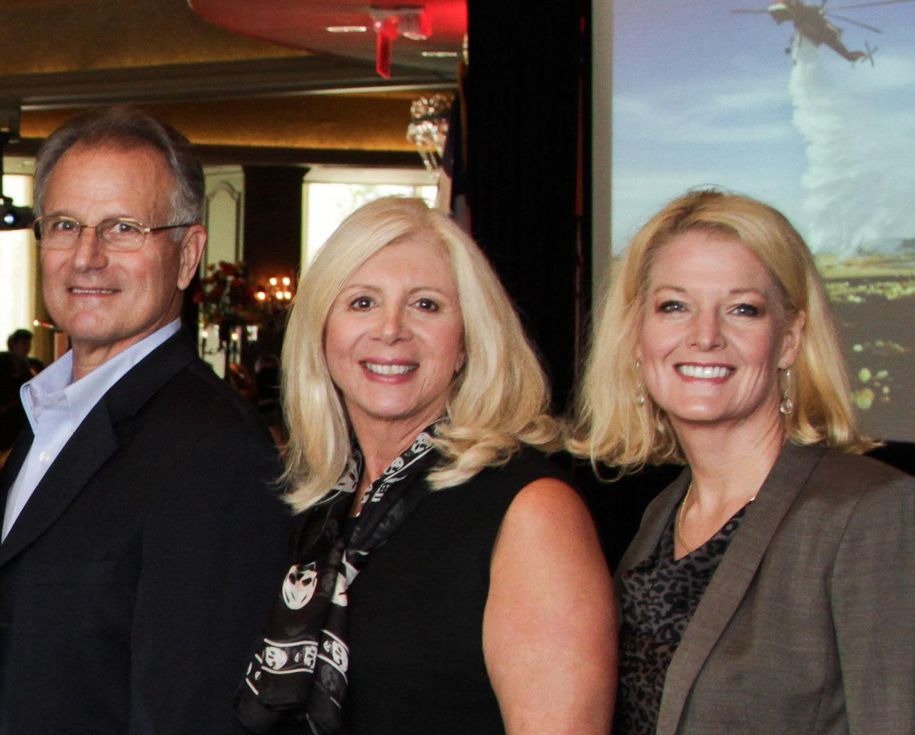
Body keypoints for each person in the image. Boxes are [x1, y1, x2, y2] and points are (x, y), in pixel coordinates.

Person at [569, 189, 915, 734]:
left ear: (790, 339)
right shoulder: (663, 514)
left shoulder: (872, 513)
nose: (704, 336)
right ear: (637, 334)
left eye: (742, 309)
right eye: (674, 306)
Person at [238, 197, 617, 734]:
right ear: (322, 335)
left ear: (467, 342)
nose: (390, 330)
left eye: (426, 305)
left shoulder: (532, 513)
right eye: (363, 303)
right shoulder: (321, 508)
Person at [0, 107, 292, 734]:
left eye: (123, 228)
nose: (87, 256)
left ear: (187, 255)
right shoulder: (48, 415)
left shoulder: (214, 453)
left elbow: (190, 713)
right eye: (65, 225)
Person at [0, 330, 37, 456]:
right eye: (23, 343)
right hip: (7, 411)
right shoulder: (3, 361)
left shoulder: (34, 364)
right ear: (13, 344)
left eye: (28, 343)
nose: (26, 347)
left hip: (27, 411)